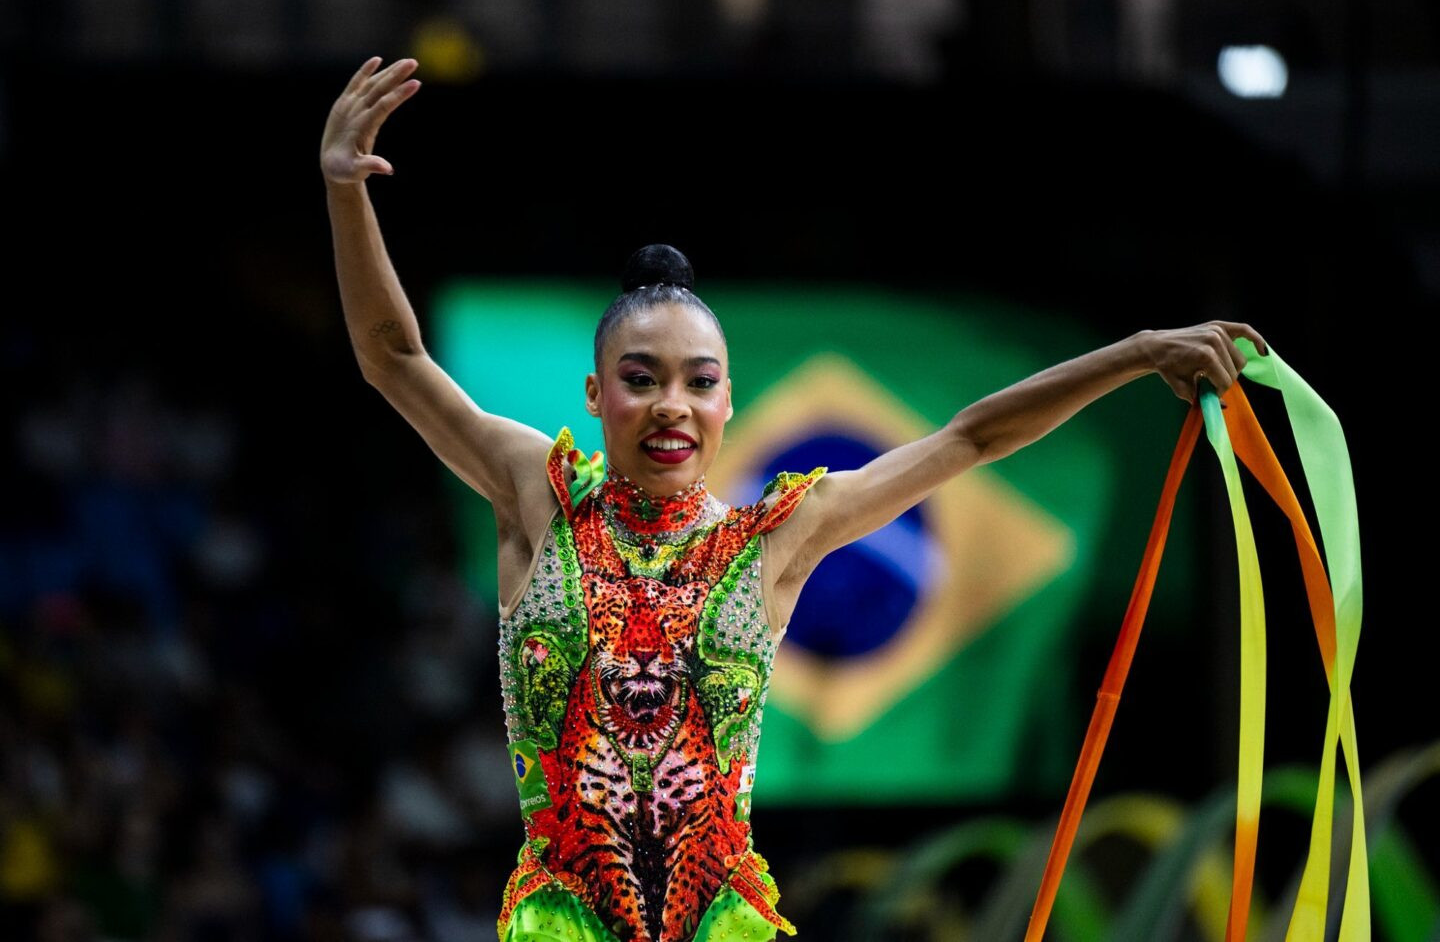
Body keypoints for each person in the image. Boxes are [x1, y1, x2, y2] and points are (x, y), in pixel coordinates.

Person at [320, 56, 1268, 942]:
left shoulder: (775, 537)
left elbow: (972, 436)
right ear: (595, 394)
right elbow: (394, 360)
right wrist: (345, 187)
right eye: (641, 378)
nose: (671, 406)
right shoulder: (540, 495)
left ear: (730, 401)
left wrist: (1140, 350)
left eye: (699, 381)